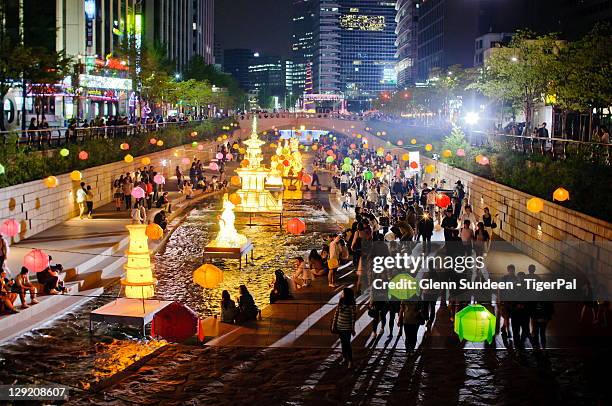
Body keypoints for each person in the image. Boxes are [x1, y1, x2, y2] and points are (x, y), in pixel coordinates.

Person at [331, 287, 357, 369]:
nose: (341, 294)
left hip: (347, 328)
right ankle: (344, 357)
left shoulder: (352, 305)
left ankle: (350, 361)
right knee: (343, 343)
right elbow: (336, 314)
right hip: (339, 326)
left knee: (347, 344)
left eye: (343, 293)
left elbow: (353, 318)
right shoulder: (341, 302)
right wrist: (334, 325)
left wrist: (352, 328)